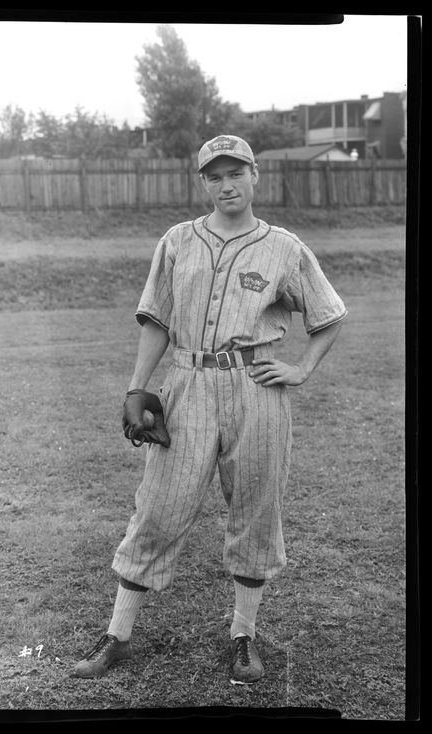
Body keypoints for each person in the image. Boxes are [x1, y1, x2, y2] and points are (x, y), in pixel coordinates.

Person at [72, 134, 348, 683]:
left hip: (256, 387)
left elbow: (329, 314)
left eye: (236, 173)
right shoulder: (177, 241)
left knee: (255, 508)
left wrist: (301, 369)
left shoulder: (284, 247)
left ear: (255, 177)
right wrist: (135, 388)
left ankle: (243, 637)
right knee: (159, 507)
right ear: (203, 182)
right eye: (215, 176)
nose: (227, 185)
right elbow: (156, 319)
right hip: (188, 382)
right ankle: (118, 636)